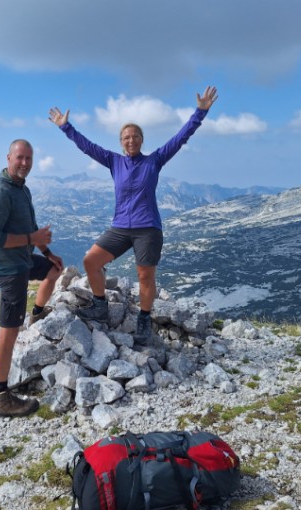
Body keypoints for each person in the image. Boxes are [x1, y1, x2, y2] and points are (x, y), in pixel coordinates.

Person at [48, 85, 218, 341]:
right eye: (126, 137)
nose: (131, 140)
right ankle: (100, 306)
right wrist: (66, 127)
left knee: (145, 276)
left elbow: (180, 138)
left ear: (142, 140)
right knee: (91, 261)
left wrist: (200, 113)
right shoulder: (114, 161)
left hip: (147, 229)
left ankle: (144, 319)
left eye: (135, 136)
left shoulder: (154, 160)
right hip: (120, 228)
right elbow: (88, 147)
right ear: (121, 142)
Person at [0, 139, 64, 418]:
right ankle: (2, 395)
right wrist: (33, 238)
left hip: (23, 260)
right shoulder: (1, 193)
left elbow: (31, 229)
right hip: (9, 269)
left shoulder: (22, 190)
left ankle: (39, 314)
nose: (25, 163)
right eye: (20, 158)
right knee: (9, 330)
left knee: (54, 271)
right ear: (8, 158)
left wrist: (48, 252)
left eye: (29, 158)